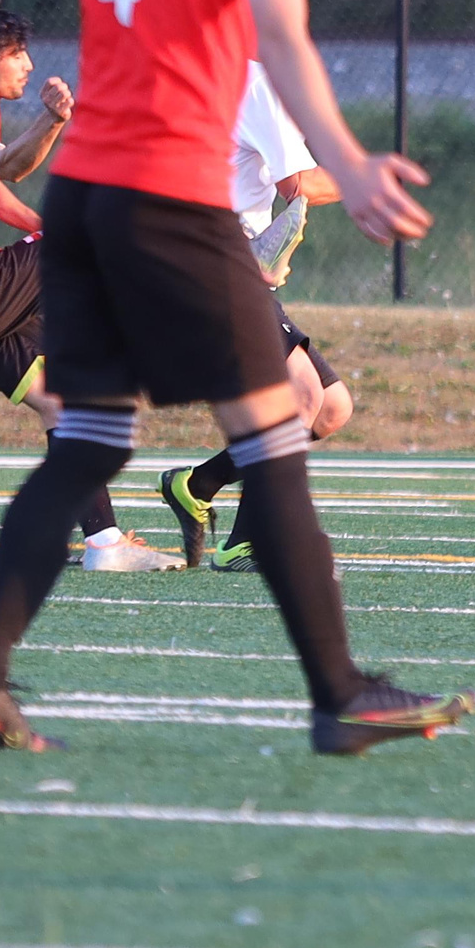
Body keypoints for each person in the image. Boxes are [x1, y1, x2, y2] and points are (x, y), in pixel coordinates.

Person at [0, 0, 472, 753]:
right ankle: (340, 693)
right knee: (274, 431)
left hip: (88, 197)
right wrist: (351, 161)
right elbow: (280, 38)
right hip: (170, 194)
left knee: (87, 444)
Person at [0, 1, 169, 569]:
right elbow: (10, 166)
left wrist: (41, 226)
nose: (29, 65)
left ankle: (104, 543)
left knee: (65, 401)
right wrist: (55, 120)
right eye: (15, 55)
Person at [157, 62, 353, 570]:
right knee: (302, 396)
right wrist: (364, 176)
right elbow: (300, 184)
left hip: (213, 253)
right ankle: (246, 542)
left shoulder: (204, 75)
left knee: (330, 408)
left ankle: (198, 484)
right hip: (214, 256)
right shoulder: (252, 79)